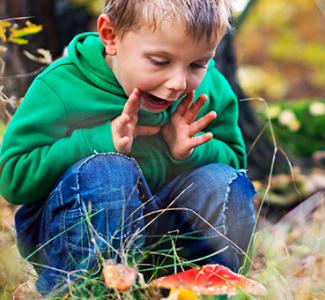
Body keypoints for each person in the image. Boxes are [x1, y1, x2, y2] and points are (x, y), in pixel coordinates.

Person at [0, 0, 257, 296]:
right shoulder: (64, 86)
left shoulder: (209, 89)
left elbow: (234, 166)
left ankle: (202, 288)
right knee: (109, 171)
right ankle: (92, 289)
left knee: (220, 181)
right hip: (77, 234)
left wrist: (189, 152)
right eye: (160, 61)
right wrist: (96, 142)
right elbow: (13, 178)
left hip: (167, 234)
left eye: (197, 65)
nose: (177, 83)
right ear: (110, 36)